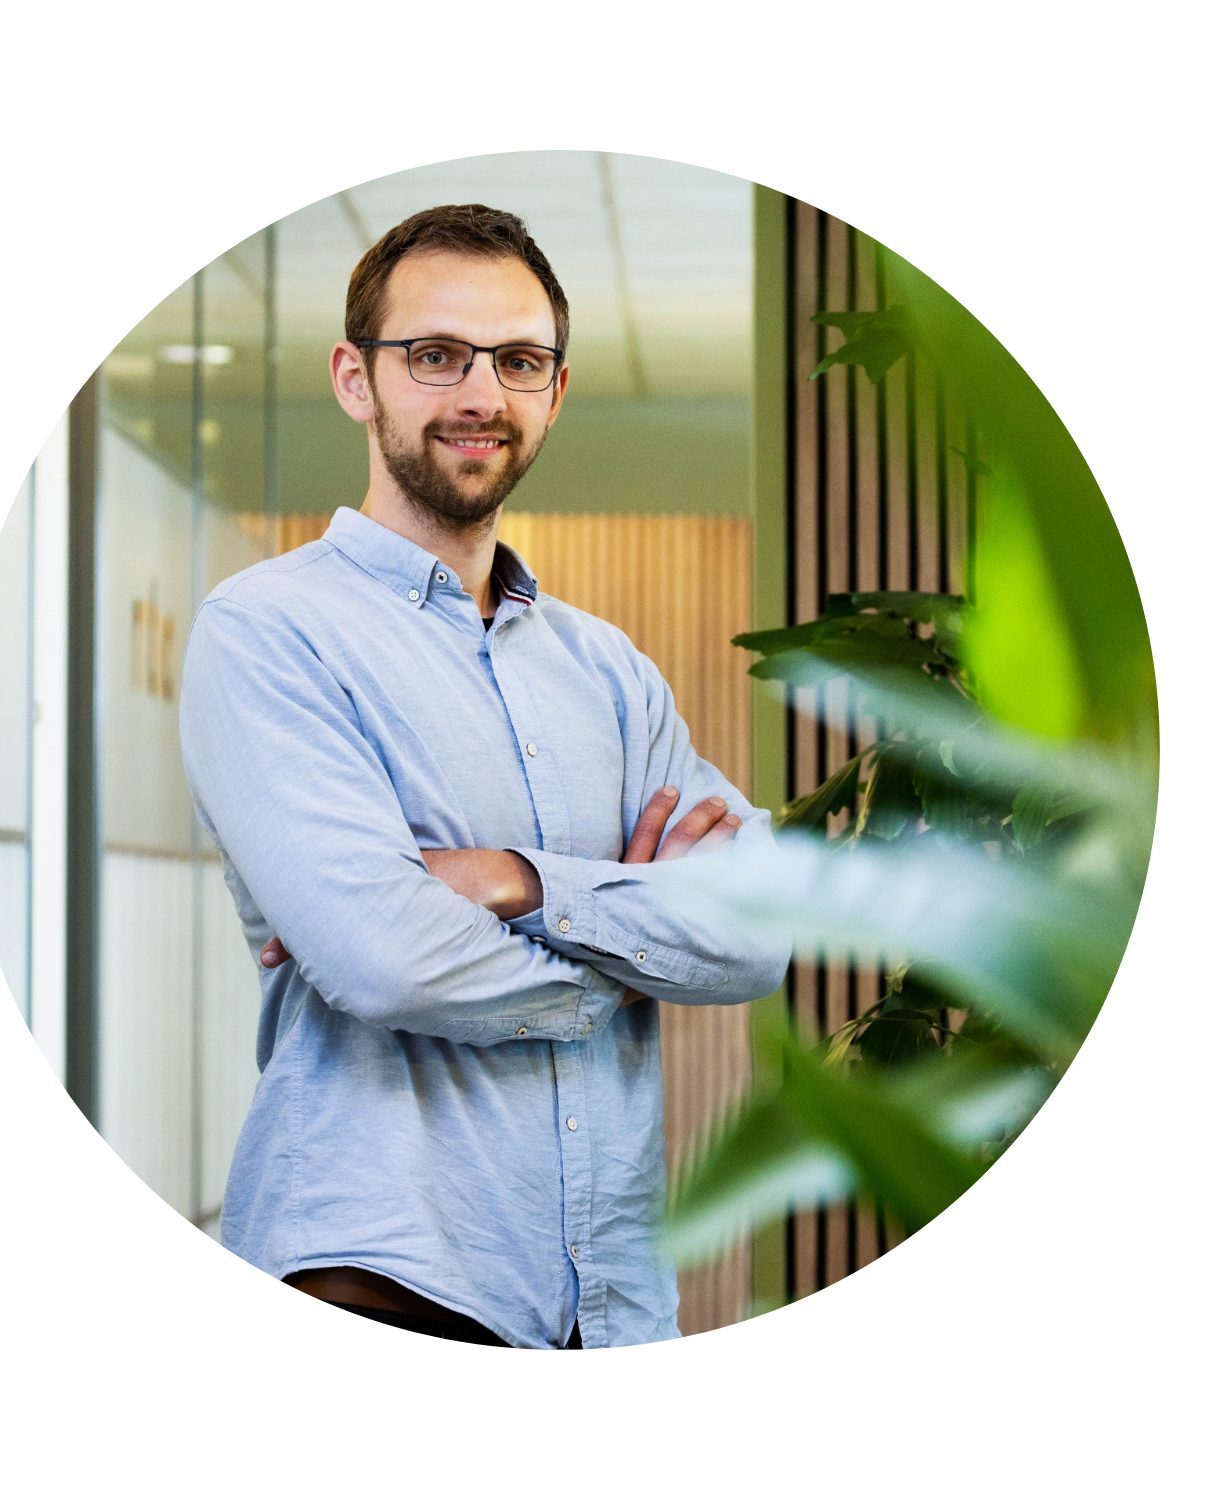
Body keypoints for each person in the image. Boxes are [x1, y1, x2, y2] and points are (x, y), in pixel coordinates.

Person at [179, 203, 791, 1349]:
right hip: (381, 1273)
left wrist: (515, 879)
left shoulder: (610, 672)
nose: (480, 394)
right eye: (435, 355)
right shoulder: (268, 631)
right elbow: (387, 959)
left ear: (555, 391)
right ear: (356, 379)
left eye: (517, 361)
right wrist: (630, 963)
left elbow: (760, 935)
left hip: (612, 1303)